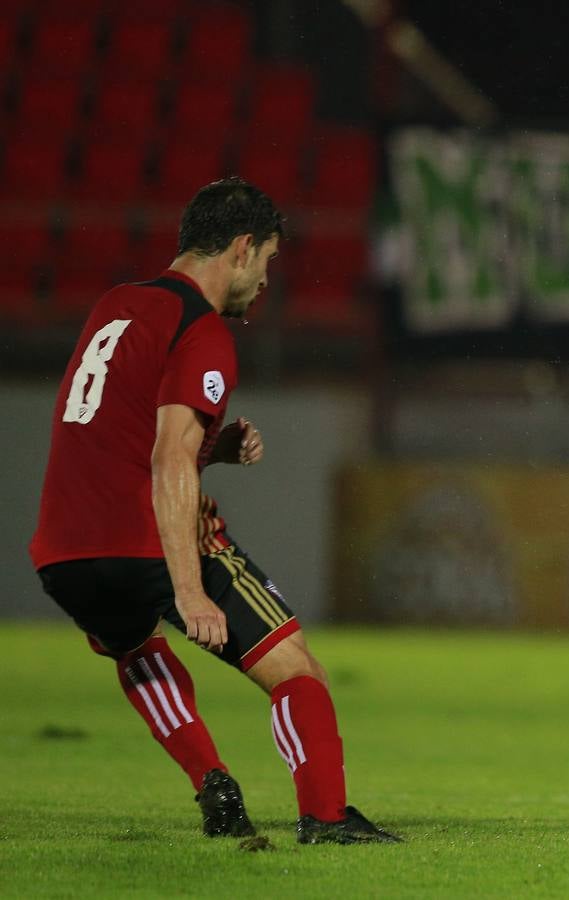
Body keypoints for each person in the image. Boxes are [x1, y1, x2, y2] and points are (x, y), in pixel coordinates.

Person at [29, 177, 399, 845]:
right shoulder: (200, 329)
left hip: (63, 553)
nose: (265, 281)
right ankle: (325, 817)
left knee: (135, 649)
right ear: (241, 247)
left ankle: (213, 783)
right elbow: (168, 458)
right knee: (296, 668)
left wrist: (212, 450)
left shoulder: (115, 304)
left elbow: (112, 425)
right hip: (149, 538)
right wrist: (190, 588)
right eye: (268, 261)